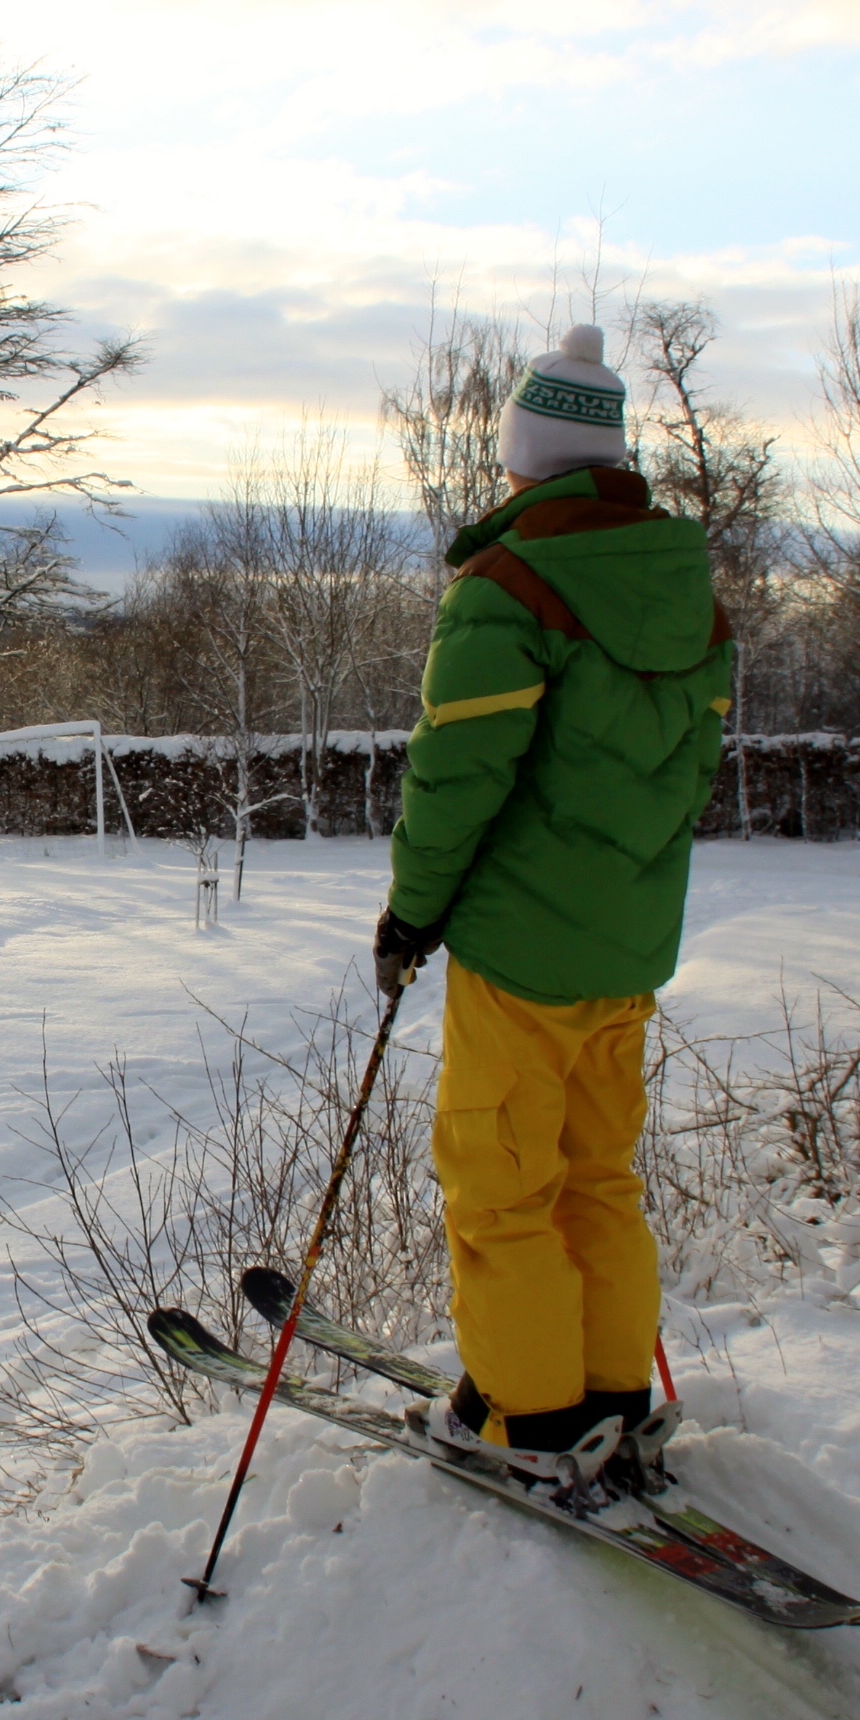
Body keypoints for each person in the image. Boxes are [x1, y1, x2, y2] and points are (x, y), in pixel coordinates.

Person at [372, 324, 731, 1485]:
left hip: (520, 949)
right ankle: (611, 1392)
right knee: (598, 1175)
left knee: (500, 1181)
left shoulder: (513, 584)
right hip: (627, 947)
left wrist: (411, 912)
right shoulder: (686, 595)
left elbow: (456, 774)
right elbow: (681, 781)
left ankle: (528, 1421)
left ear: (527, 458)